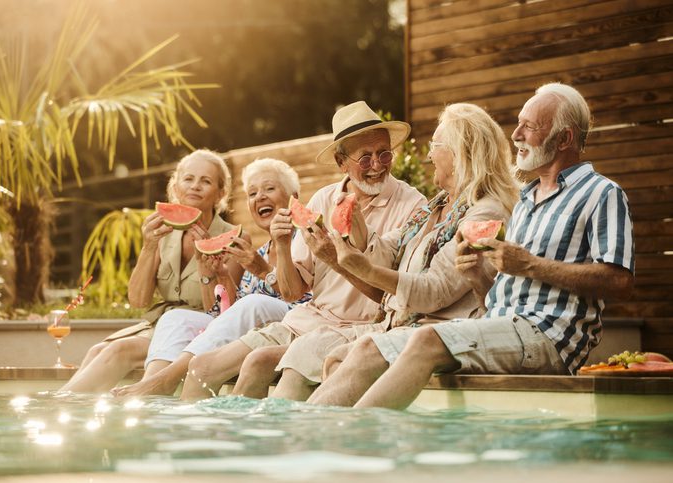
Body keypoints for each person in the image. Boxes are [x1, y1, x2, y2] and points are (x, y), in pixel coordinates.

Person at [309, 82, 635, 409]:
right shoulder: (526, 202)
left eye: (529, 126)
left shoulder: (601, 193)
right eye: (518, 123)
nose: (516, 134)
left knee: (421, 341)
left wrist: (530, 265)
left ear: (564, 138)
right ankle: (318, 437)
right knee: (352, 353)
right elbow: (497, 299)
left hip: (548, 336)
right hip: (502, 325)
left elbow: (620, 281)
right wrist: (479, 276)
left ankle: (344, 436)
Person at [178, 100, 428, 401]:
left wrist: (334, 260)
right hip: (309, 319)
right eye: (365, 158)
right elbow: (293, 293)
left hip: (360, 328)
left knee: (259, 362)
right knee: (200, 368)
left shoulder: (414, 206)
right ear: (341, 163)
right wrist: (282, 246)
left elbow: (397, 297)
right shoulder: (323, 200)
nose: (377, 165)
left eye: (384, 153)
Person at [271, 103, 521, 401]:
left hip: (435, 330)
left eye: (435, 146)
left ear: (460, 154)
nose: (428, 155)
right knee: (308, 350)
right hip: (396, 324)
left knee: (357, 351)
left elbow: (434, 291)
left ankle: (314, 438)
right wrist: (356, 224)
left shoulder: (483, 214)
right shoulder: (436, 206)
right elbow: (387, 248)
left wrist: (358, 267)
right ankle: (290, 437)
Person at [111, 158, 312, 396]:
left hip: (298, 324)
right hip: (256, 331)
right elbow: (227, 319)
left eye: (269, 188)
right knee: (176, 318)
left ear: (294, 197)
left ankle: (166, 379)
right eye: (252, 193)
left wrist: (262, 270)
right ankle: (152, 385)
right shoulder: (257, 252)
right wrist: (215, 275)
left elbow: (300, 297)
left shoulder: (308, 239)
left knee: (254, 303)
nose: (259, 197)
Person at [61, 150, 246, 393]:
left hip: (205, 327)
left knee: (119, 350)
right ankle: (74, 410)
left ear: (221, 193)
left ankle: (67, 405)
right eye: (188, 179)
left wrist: (205, 267)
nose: (195, 187)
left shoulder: (233, 237)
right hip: (162, 324)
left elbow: (221, 311)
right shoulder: (162, 234)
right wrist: (149, 247)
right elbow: (139, 300)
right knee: (97, 350)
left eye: (206, 181)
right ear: (176, 187)